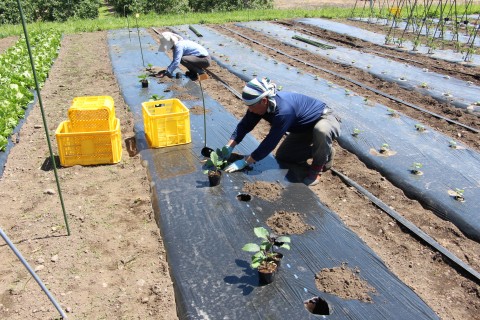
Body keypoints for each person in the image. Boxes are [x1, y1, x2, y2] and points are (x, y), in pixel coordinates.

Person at [222, 77, 341, 186]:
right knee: (283, 156)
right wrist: (229, 146)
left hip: (324, 119)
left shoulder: (284, 111)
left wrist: (245, 162)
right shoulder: (259, 106)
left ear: (264, 100)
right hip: (302, 128)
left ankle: (317, 167)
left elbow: (270, 142)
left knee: (321, 130)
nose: (250, 110)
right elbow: (244, 125)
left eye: (251, 107)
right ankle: (325, 151)